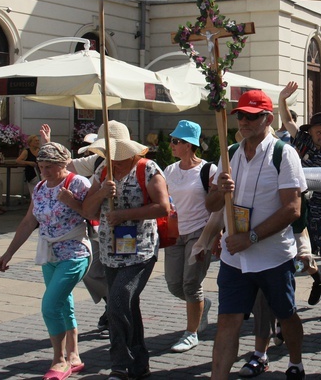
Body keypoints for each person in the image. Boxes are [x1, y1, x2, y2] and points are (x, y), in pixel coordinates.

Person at [202, 89, 308, 380]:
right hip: (234, 258)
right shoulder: (230, 152)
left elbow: (292, 209)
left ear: (268, 118)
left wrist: (250, 238)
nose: (245, 122)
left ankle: (296, 359)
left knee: (285, 314)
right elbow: (210, 205)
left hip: (271, 256)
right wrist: (219, 191)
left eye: (252, 116)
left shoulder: (284, 154)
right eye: (241, 116)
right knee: (227, 321)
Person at [82, 121, 171, 380]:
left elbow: (163, 207)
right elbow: (87, 211)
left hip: (140, 249)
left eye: (116, 155)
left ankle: (120, 363)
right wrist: (100, 195)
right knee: (127, 306)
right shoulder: (101, 171)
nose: (112, 160)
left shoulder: (147, 169)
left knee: (118, 301)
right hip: (111, 250)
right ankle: (139, 362)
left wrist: (125, 215)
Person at [0, 142, 91, 380]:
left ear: (63, 164)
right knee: (62, 303)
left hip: (75, 252)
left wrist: (73, 202)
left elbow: (94, 214)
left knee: (49, 306)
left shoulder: (78, 183)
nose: (45, 171)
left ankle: (59, 360)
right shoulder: (39, 187)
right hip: (49, 254)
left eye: (50, 167)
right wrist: (8, 254)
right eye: (41, 166)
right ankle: (74, 355)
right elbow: (29, 222)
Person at [278, 81, 321, 321]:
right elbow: (287, 121)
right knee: (298, 254)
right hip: (302, 206)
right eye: (319, 132)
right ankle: (318, 280)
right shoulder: (303, 143)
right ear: (312, 132)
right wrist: (282, 99)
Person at [40, 124, 109, 334]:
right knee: (92, 272)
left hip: (124, 230)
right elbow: (64, 164)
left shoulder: (137, 165)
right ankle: (115, 304)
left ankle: (120, 307)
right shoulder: (96, 161)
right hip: (96, 229)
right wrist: (47, 145)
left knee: (114, 274)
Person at [163, 120, 214, 353]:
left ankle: (191, 333)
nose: (171, 144)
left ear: (189, 145)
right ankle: (202, 305)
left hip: (199, 231)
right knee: (174, 285)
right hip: (175, 232)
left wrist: (218, 233)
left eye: (176, 141)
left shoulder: (207, 170)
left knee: (190, 284)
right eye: (172, 140)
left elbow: (217, 205)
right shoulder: (169, 170)